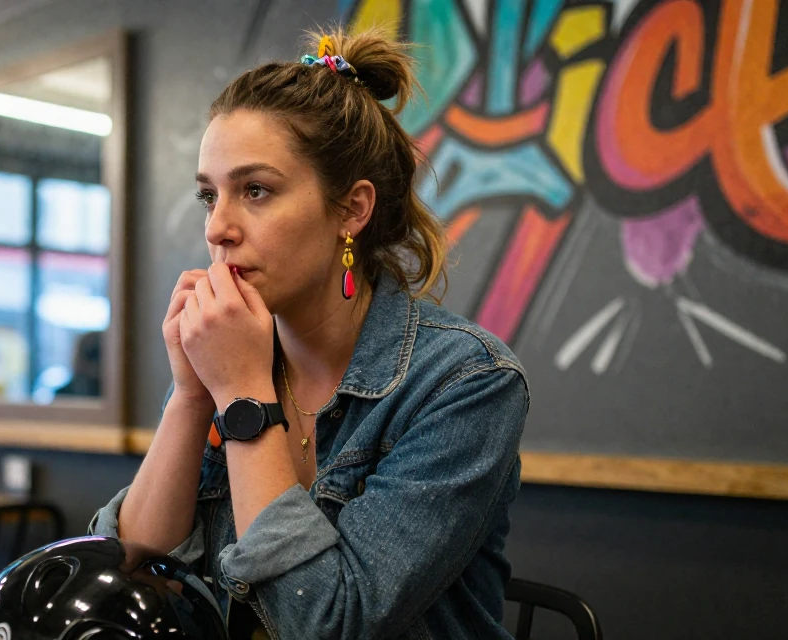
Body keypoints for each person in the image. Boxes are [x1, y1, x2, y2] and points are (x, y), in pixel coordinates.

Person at [91, 29, 528, 639]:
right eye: (209, 196)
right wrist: (193, 396)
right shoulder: (231, 360)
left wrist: (243, 398)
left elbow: (330, 623)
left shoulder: (466, 382)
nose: (217, 227)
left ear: (351, 210)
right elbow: (131, 574)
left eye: (256, 191)